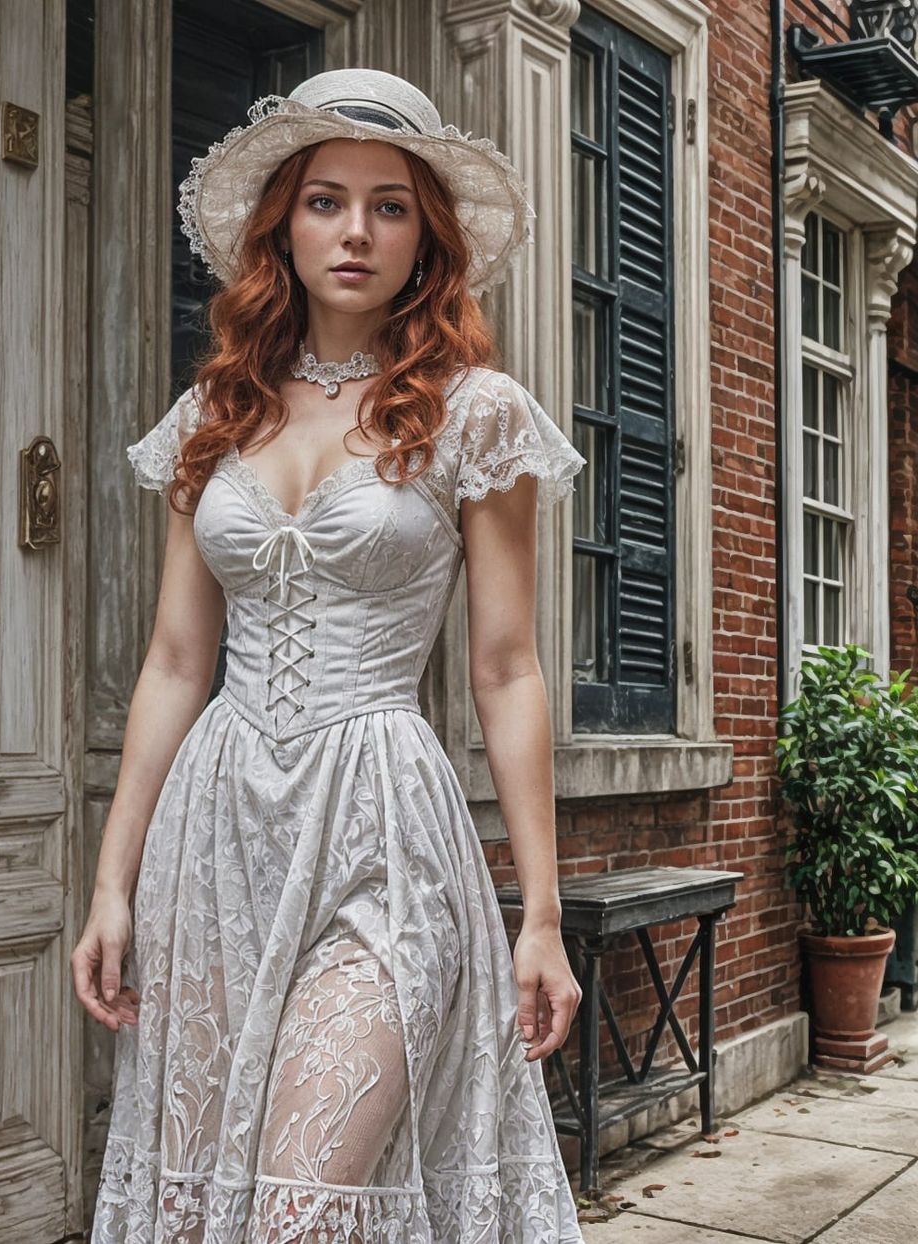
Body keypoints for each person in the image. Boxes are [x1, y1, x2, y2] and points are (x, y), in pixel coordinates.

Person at [72, 68, 589, 1242]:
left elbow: (505, 669)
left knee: (303, 1209)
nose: (355, 231)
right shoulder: (215, 408)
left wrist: (540, 912)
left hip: (384, 832)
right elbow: (170, 660)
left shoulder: (477, 412)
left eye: (390, 204)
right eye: (325, 200)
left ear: (427, 238)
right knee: (212, 1202)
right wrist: (111, 882)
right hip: (214, 839)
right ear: (282, 225)